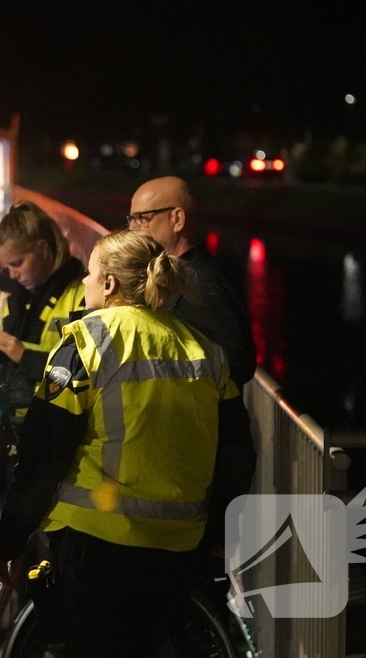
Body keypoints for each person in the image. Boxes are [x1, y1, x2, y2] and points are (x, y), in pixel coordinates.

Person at [0, 230, 239, 657]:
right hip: (179, 549)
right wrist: (217, 533)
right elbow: (236, 452)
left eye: (89, 274)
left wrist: (10, 539)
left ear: (109, 284)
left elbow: (44, 453)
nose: (84, 282)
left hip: (98, 550)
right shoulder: (204, 349)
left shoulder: (85, 342)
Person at [128, 176, 258, 558]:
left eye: (142, 218)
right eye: (131, 219)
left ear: (178, 219)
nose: (133, 228)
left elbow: (238, 361)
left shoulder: (199, 283)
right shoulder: (186, 278)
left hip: (210, 467)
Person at [0, 201, 86, 496]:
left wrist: (24, 355)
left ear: (43, 248)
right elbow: (3, 373)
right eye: (6, 266)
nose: (12, 275)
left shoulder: (81, 296)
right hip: (9, 440)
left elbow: (82, 376)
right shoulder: (13, 299)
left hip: (51, 446)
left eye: (17, 263)